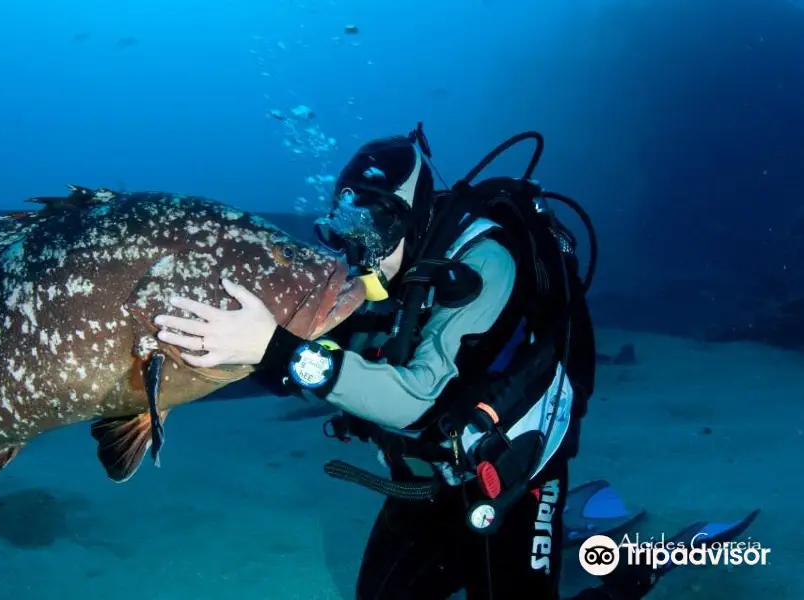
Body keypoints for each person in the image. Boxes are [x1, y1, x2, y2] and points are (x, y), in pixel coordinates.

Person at [153, 126, 756, 600]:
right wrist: (250, 354)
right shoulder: (392, 275)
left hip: (513, 477)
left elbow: (413, 397)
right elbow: (351, 355)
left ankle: (639, 571)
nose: (361, 248)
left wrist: (278, 351)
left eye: (375, 224)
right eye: (348, 227)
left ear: (412, 213)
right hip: (431, 479)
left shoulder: (486, 261)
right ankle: (560, 542)